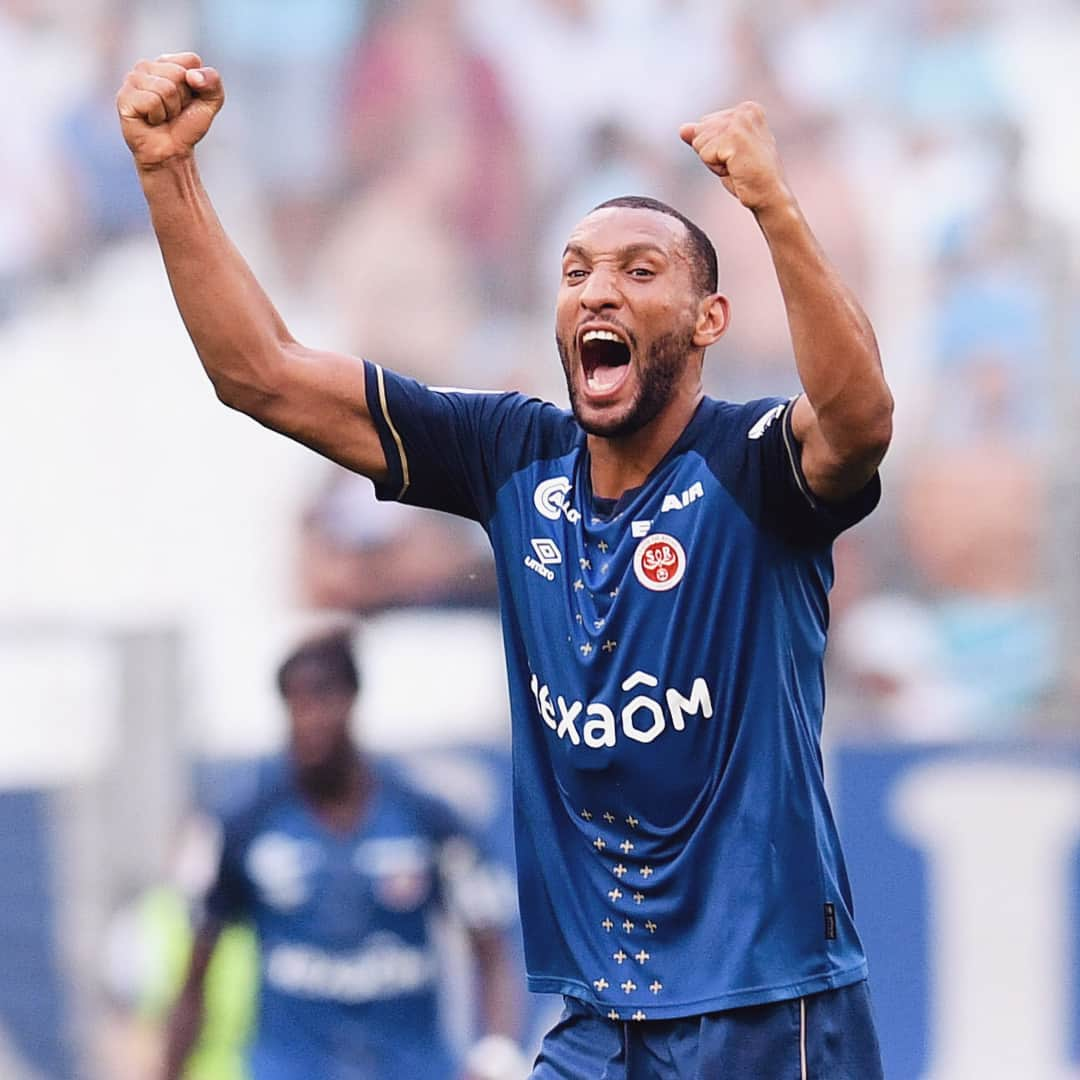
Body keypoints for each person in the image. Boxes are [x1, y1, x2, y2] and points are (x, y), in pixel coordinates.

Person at [118, 53, 894, 1078]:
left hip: (770, 1007)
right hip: (597, 1021)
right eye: (575, 272)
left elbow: (860, 417)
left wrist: (772, 206)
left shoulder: (753, 467)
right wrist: (167, 172)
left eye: (639, 271)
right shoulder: (512, 459)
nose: (596, 290)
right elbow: (259, 374)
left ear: (710, 321)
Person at [161, 629, 520, 1080]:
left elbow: (488, 942)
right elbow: (195, 976)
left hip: (409, 1068)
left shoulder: (424, 818)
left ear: (351, 700)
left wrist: (495, 1053)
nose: (308, 719)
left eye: (321, 699)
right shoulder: (246, 825)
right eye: (295, 703)